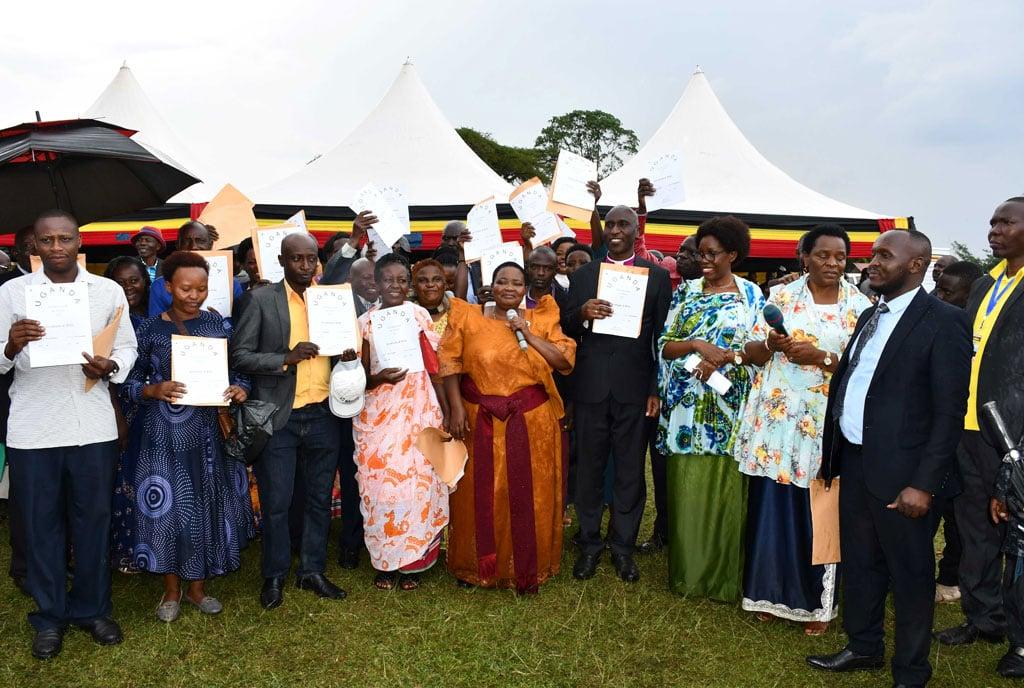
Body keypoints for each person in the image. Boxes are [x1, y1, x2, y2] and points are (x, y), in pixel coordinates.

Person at [807, 230, 971, 688]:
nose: (871, 262)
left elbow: (949, 411)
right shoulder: (870, 314)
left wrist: (924, 483)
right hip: (857, 461)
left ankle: (911, 670)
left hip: (907, 476)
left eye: (884, 255)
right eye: (873, 254)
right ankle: (863, 647)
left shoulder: (945, 321)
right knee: (861, 563)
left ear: (916, 265)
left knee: (911, 574)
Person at [0, 209, 137, 660]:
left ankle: (93, 609)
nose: (56, 247)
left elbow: (127, 347)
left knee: (93, 520)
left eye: (65, 239)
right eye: (47, 240)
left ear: (80, 242)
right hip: (33, 429)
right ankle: (49, 616)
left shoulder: (107, 290)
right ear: (34, 246)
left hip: (91, 425)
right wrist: (11, 345)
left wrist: (110, 366)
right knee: (41, 526)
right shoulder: (12, 293)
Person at [731, 224, 870, 633]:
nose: (832, 263)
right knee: (773, 509)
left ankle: (817, 605)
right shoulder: (780, 298)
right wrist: (770, 345)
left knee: (819, 511)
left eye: (840, 257)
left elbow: (864, 368)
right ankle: (767, 594)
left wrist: (822, 357)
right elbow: (750, 352)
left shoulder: (860, 306)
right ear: (805, 257)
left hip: (824, 426)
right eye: (823, 255)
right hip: (776, 424)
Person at [122, 251, 253, 621]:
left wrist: (240, 388)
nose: (194, 295)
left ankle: (197, 589)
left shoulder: (219, 326)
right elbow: (127, 383)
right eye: (185, 288)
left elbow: (239, 370)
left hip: (209, 434)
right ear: (167, 287)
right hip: (163, 436)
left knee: (204, 506)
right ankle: (170, 590)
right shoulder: (150, 330)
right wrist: (152, 390)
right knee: (168, 508)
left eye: (201, 288)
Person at [441, 262, 575, 592]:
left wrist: (527, 333)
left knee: (529, 492)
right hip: (478, 419)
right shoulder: (468, 316)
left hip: (531, 422)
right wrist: (456, 408)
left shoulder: (542, 317)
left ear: (525, 288)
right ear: (492, 286)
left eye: (516, 283)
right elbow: (450, 363)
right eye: (502, 281)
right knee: (478, 492)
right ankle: (475, 566)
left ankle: (528, 565)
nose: (509, 288)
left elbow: (564, 362)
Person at [934, 198, 1024, 679]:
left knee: (1017, 537)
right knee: (973, 527)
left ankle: (1020, 639)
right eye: (992, 222)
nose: (995, 229)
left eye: (1006, 222)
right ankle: (983, 617)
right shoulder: (987, 284)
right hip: (969, 426)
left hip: (1014, 433)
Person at [232, 232, 346, 609]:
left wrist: (347, 353)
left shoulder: (329, 300)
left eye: (311, 258)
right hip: (279, 415)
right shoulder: (260, 299)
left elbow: (343, 347)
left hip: (324, 412)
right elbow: (240, 355)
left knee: (318, 498)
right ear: (281, 261)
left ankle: (312, 570)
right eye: (296, 258)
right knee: (277, 501)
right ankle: (275, 574)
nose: (305, 265)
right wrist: (285, 358)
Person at [562, 205, 671, 583]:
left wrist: (654, 387)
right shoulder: (585, 274)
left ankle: (623, 546)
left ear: (636, 230)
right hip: (591, 385)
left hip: (634, 388)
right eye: (610, 224)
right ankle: (590, 543)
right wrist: (582, 313)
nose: (615, 230)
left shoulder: (657, 277)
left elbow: (662, 337)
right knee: (589, 468)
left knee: (629, 470)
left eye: (623, 224)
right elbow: (565, 325)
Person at [656, 216, 764, 600]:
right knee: (687, 489)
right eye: (700, 253)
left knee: (726, 491)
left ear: (732, 255)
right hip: (686, 411)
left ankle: (723, 579)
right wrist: (696, 347)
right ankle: (688, 576)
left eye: (712, 254)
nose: (704, 260)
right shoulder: (685, 293)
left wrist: (726, 361)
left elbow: (760, 350)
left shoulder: (752, 295)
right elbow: (664, 345)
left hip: (730, 407)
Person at [352, 254, 449, 590]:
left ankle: (415, 563)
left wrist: (445, 409)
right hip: (379, 415)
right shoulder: (364, 323)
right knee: (381, 488)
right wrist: (379, 378)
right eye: (388, 280)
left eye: (402, 280)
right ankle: (386, 562)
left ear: (409, 285)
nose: (395, 286)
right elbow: (359, 377)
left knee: (419, 485)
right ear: (376, 284)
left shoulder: (418, 315)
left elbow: (434, 364)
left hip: (419, 410)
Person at [931, 259, 983, 605]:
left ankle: (951, 577)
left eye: (947, 292)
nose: (938, 297)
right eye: (937, 288)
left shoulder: (981, 329)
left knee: (958, 513)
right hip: (937, 430)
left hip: (970, 433)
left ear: (970, 294)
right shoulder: (936, 322)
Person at [103, 256, 152, 572]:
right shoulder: (105, 323)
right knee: (118, 481)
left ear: (146, 283)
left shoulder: (155, 318)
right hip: (117, 408)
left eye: (134, 281)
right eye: (119, 282)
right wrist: (117, 415)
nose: (127, 288)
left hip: (149, 410)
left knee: (143, 479)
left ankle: (143, 546)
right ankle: (119, 550)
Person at [1, 225, 37, 596]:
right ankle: (24, 566)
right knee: (24, 490)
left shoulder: (74, 288)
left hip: (60, 402)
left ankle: (59, 556)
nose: (37, 251)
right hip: (13, 400)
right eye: (29, 246)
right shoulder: (6, 288)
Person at [149, 221, 243, 317]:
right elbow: (154, 324)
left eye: (200, 241)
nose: (193, 246)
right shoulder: (160, 286)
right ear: (178, 245)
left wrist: (219, 322)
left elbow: (241, 322)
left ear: (210, 244)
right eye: (187, 241)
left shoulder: (231, 284)